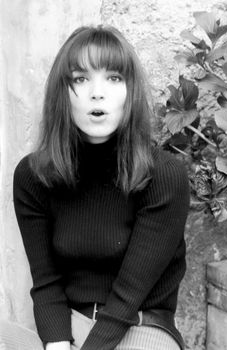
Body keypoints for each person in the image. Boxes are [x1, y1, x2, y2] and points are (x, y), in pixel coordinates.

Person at [3, 25, 189, 350]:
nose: (97, 93)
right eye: (80, 78)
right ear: (63, 92)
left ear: (130, 91)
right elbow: (46, 283)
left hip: (140, 329)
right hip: (72, 328)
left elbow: (129, 297)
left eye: (114, 78)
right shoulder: (34, 177)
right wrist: (57, 345)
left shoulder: (164, 176)